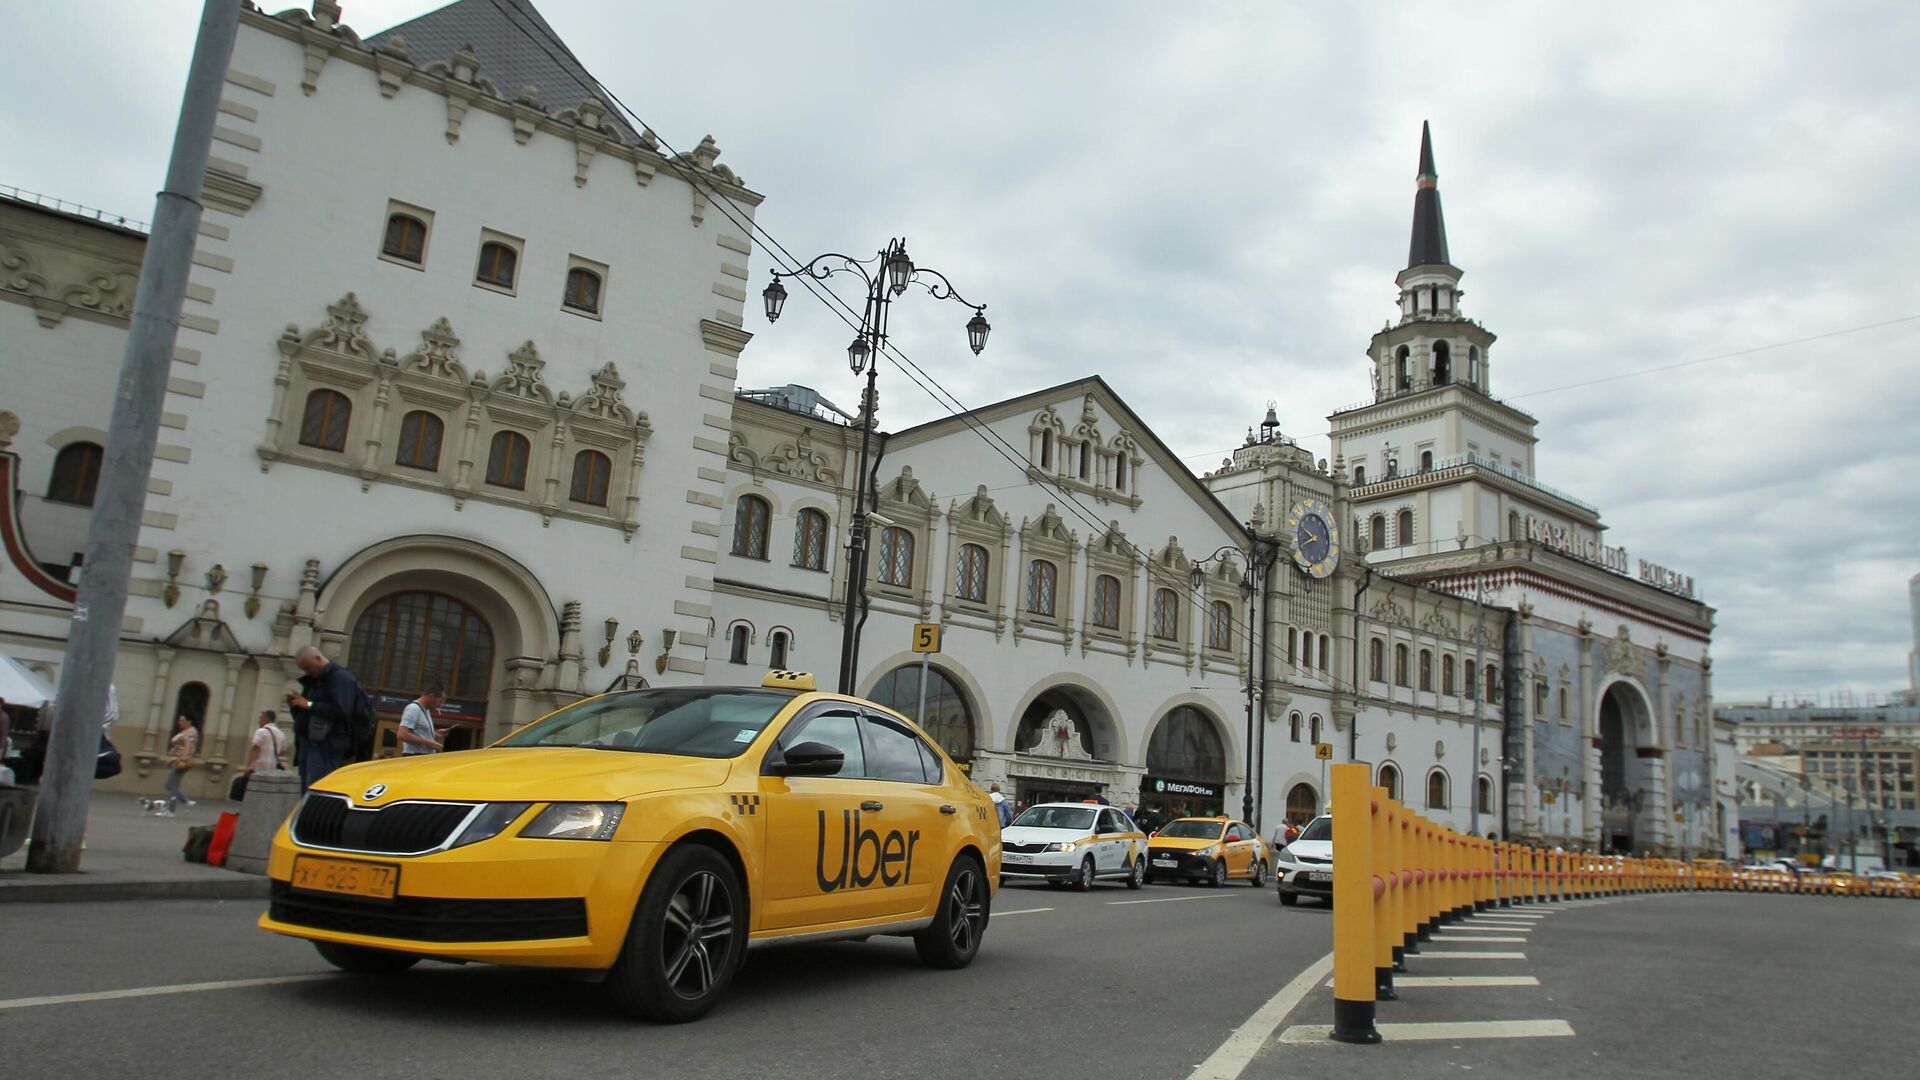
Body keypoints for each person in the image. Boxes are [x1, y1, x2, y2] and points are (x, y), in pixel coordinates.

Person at [288, 645, 373, 789]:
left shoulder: (340, 678)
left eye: (308, 668)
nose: (307, 672)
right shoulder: (317, 680)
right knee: (308, 790)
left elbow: (341, 711)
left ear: (317, 659)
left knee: (316, 789)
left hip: (326, 744)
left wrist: (308, 704)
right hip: (311, 741)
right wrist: (296, 705)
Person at [160, 714, 198, 814]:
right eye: (179, 721)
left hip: (182, 761)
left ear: (189, 722)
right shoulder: (185, 732)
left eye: (183, 721)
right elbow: (178, 745)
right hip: (178, 759)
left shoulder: (190, 733)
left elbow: (188, 746)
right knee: (171, 785)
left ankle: (171, 809)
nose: (180, 723)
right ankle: (185, 801)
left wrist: (182, 759)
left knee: (172, 785)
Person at [397, 683, 448, 756]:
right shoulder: (414, 709)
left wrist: (434, 734)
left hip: (422, 757)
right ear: (431, 696)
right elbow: (402, 735)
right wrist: (427, 743)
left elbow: (417, 732)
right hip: (414, 757)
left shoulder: (426, 710)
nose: (440, 705)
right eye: (440, 701)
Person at [243, 709, 289, 774]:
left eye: (261, 718)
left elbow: (255, 749)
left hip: (259, 767)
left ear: (266, 718)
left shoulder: (261, 731)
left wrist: (248, 767)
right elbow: (283, 751)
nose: (259, 721)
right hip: (273, 768)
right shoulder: (282, 734)